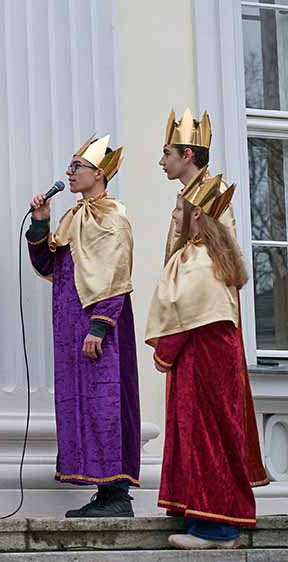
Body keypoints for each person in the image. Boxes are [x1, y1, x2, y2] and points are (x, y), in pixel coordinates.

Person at [25, 135, 141, 517]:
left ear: (100, 173)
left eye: (77, 167)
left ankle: (117, 494)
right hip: (71, 327)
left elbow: (116, 275)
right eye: (70, 166)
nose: (68, 172)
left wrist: (101, 325)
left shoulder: (113, 218)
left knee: (106, 403)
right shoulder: (73, 216)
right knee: (83, 406)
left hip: (98, 329)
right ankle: (102, 491)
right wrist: (41, 226)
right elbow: (49, 266)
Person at [158, 108, 269, 489]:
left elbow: (221, 256)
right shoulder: (185, 197)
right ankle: (190, 494)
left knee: (209, 409)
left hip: (206, 311)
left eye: (167, 153)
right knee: (187, 407)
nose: (162, 161)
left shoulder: (212, 194)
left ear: (187, 155)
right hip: (186, 308)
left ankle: (213, 495)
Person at [146, 171, 255, 549]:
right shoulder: (203, 254)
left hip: (205, 356)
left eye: (179, 210)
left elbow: (186, 310)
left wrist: (165, 351)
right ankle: (196, 514)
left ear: (196, 215)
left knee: (207, 435)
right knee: (199, 433)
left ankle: (216, 529)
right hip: (203, 355)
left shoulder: (201, 259)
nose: (174, 217)